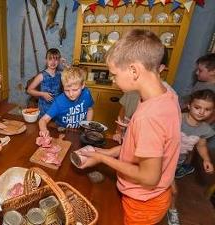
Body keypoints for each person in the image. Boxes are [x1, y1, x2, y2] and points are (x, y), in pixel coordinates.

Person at [78, 29, 181, 225]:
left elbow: (149, 177)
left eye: (114, 74)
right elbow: (142, 148)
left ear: (134, 70)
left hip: (142, 203)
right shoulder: (166, 95)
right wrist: (108, 152)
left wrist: (101, 158)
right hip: (154, 197)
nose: (114, 81)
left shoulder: (148, 116)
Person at [167, 89, 215, 225]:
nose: (201, 112)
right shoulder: (177, 118)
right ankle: (172, 210)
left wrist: (206, 159)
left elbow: (201, 145)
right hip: (164, 160)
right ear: (189, 105)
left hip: (178, 163)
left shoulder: (205, 130)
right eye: (197, 107)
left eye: (207, 109)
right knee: (173, 190)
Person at [113, 47, 169, 144]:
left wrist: (103, 157)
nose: (113, 80)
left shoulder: (154, 112)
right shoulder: (132, 88)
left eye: (115, 74)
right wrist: (119, 131)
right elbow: (123, 109)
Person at [38, 66, 93, 137]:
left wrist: (87, 126)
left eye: (75, 90)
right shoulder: (59, 102)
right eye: (67, 90)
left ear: (83, 85)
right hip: (62, 132)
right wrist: (43, 130)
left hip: (80, 130)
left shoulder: (86, 93)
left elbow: (90, 109)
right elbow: (43, 120)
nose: (71, 94)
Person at [27, 48, 63, 117]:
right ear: (46, 60)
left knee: (54, 127)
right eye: (50, 59)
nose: (53, 62)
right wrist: (43, 94)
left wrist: (65, 65)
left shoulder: (60, 74)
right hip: (44, 109)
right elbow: (29, 90)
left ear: (59, 61)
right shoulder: (41, 75)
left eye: (55, 59)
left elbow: (74, 77)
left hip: (57, 108)